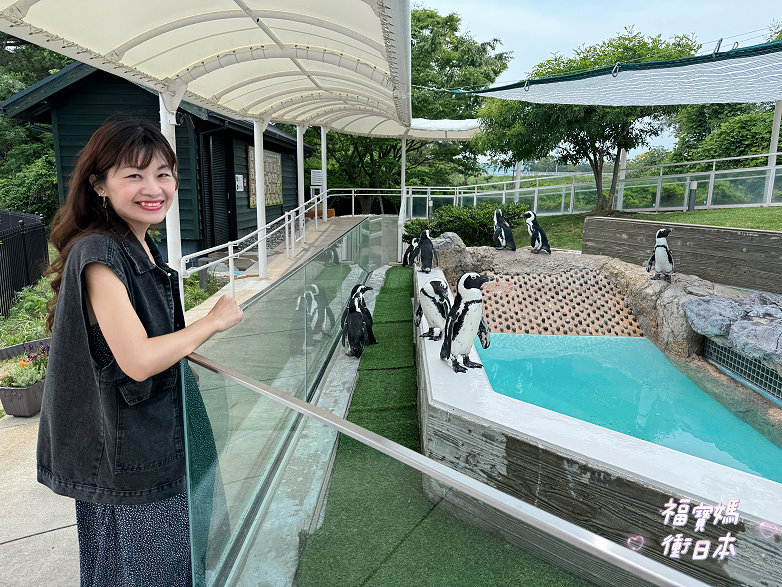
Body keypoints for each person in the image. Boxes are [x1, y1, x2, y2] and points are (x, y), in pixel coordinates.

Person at [38, 118, 243, 586]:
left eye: (163, 173)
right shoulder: (100, 253)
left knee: (159, 564)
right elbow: (138, 359)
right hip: (131, 454)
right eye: (134, 175)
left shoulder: (137, 245)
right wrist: (214, 321)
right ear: (100, 185)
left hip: (150, 437)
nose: (153, 188)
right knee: (152, 571)